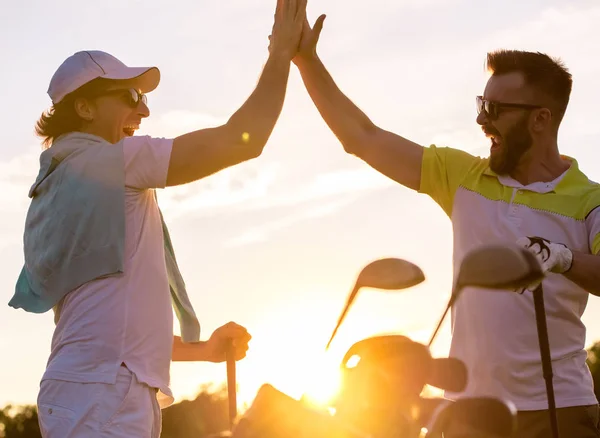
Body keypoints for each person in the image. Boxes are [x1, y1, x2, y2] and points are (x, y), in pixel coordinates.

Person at [292, 14, 600, 438]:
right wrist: (306, 61)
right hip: (468, 412)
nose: (482, 120)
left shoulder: (590, 200)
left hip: (560, 409)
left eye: (495, 109)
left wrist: (561, 257)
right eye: (481, 104)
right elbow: (361, 137)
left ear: (541, 120)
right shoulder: (461, 176)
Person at [8, 0, 307, 436]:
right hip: (104, 394)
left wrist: (204, 351)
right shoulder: (111, 164)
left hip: (96, 388)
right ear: (86, 109)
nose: (144, 110)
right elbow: (242, 141)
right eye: (130, 96)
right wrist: (281, 54)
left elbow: (113, 328)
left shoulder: (58, 186)